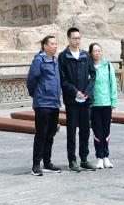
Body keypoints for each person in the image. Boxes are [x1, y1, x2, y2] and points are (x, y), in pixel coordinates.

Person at [58, 26, 96, 171]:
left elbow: (93, 76)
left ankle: (84, 158)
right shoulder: (63, 56)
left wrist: (86, 92)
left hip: (85, 99)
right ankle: (72, 160)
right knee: (72, 131)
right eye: (74, 38)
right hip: (72, 100)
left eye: (79, 38)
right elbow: (63, 79)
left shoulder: (86, 55)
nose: (77, 41)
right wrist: (75, 92)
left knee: (85, 130)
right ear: (68, 39)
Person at [26, 34, 63, 176]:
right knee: (41, 133)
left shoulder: (56, 60)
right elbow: (31, 79)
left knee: (51, 133)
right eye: (52, 44)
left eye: (56, 44)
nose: (55, 46)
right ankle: (36, 164)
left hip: (54, 103)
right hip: (42, 103)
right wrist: (35, 94)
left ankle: (47, 162)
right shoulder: (39, 60)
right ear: (45, 46)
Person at [89, 42, 118, 169]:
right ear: (91, 53)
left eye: (99, 50)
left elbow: (113, 84)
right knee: (97, 131)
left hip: (106, 103)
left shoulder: (108, 66)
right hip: (94, 104)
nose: (97, 53)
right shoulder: (89, 67)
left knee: (106, 130)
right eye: (95, 51)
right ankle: (99, 157)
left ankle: (106, 156)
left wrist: (113, 101)